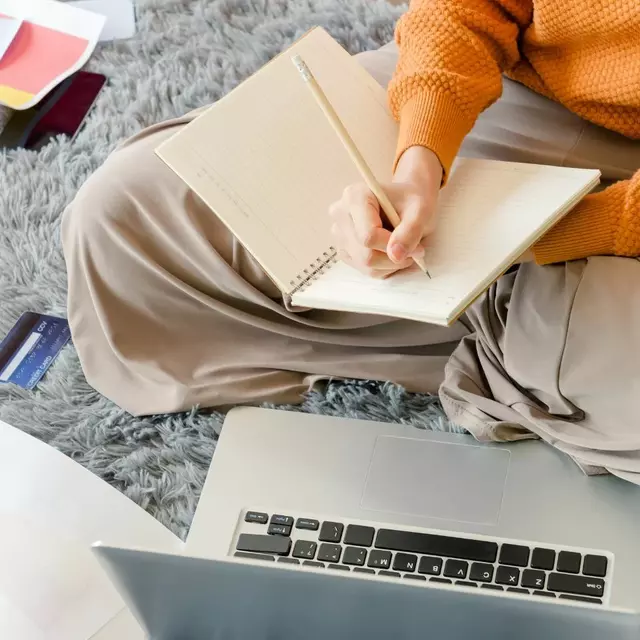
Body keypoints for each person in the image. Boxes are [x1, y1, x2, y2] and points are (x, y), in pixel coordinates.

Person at [62, 0, 639, 420]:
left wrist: (541, 236)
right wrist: (419, 157)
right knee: (121, 218)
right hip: (517, 82)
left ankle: (510, 330)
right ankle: (501, 336)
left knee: (603, 379)